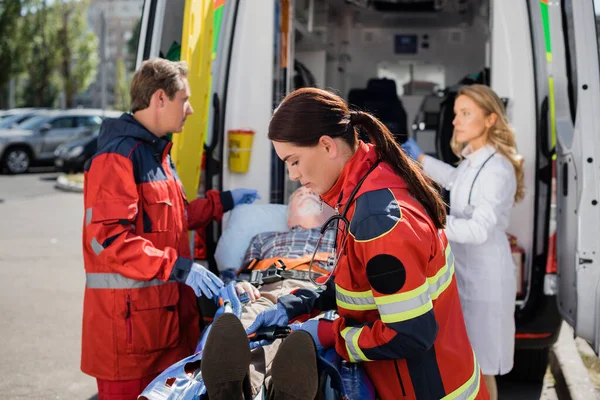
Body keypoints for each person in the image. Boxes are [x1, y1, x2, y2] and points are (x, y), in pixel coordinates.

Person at [203, 87, 489, 400]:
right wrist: (291, 307)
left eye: (294, 161)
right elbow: (360, 287)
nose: (293, 175)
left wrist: (326, 333)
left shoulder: (376, 219)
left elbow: (409, 334)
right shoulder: (368, 187)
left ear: (327, 146)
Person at [81, 58, 259, 400]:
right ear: (160, 99)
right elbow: (108, 240)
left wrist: (223, 201)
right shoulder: (118, 157)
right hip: (129, 339)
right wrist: (179, 267)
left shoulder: (156, 153)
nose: (190, 109)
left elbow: (173, 216)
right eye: (184, 99)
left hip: (161, 329)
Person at [401, 84, 523, 400]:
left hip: (487, 281)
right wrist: (421, 159)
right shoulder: (473, 160)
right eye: (456, 114)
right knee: (467, 364)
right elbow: (457, 181)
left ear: (491, 119)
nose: (456, 121)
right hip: (466, 275)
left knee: (482, 368)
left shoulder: (496, 168)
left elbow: (479, 230)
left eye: (466, 114)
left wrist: (431, 222)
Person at [201, 185, 336, 398]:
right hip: (265, 292)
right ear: (289, 216)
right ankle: (239, 390)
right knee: (247, 328)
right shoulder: (263, 238)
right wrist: (239, 284)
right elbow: (244, 273)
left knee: (298, 342)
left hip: (316, 295)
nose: (306, 192)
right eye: (299, 194)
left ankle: (282, 392)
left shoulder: (340, 237)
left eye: (313, 193)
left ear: (331, 211)